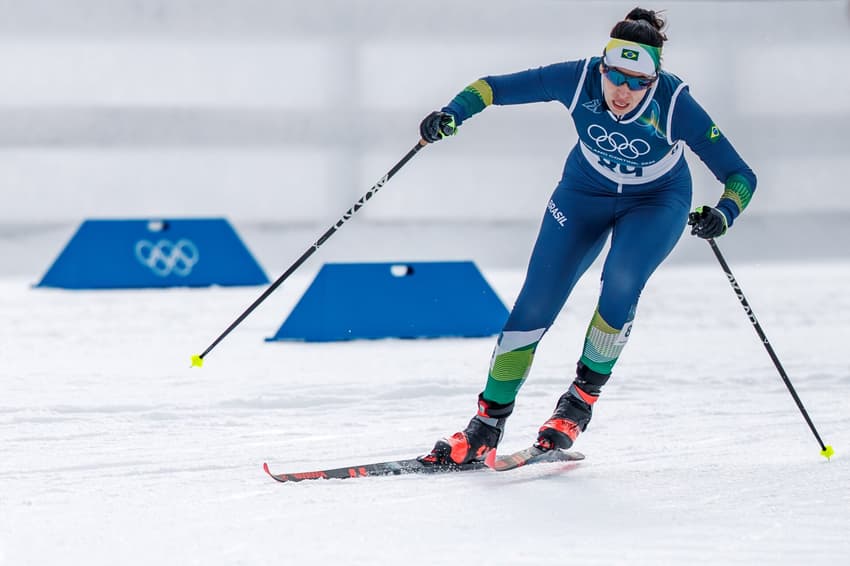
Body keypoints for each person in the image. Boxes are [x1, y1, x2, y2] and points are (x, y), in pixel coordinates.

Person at [417, 7, 757, 465]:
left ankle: (577, 405)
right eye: (616, 77)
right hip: (583, 192)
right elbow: (491, 88)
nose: (624, 91)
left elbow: (740, 174)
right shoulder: (575, 80)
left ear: (654, 81)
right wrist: (451, 114)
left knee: (619, 283)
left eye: (639, 83)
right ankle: (485, 426)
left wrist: (724, 212)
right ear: (602, 67)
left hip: (656, 202)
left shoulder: (676, 104)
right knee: (534, 303)